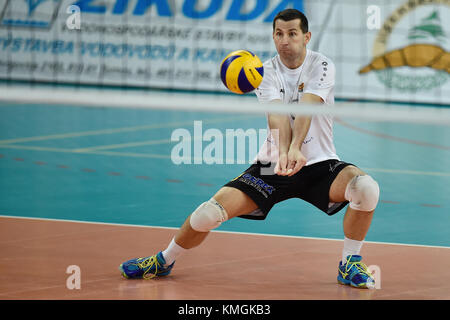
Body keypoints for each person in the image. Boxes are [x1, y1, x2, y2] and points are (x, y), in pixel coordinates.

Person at [119, 9, 380, 289]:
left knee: (365, 188)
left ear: (307, 37)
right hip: (272, 165)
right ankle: (163, 260)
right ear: (273, 36)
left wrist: (296, 148)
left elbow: (307, 107)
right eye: (279, 34)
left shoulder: (322, 64)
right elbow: (277, 115)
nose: (284, 40)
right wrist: (284, 152)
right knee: (208, 213)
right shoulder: (262, 71)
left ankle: (349, 262)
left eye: (292, 33)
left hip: (319, 164)